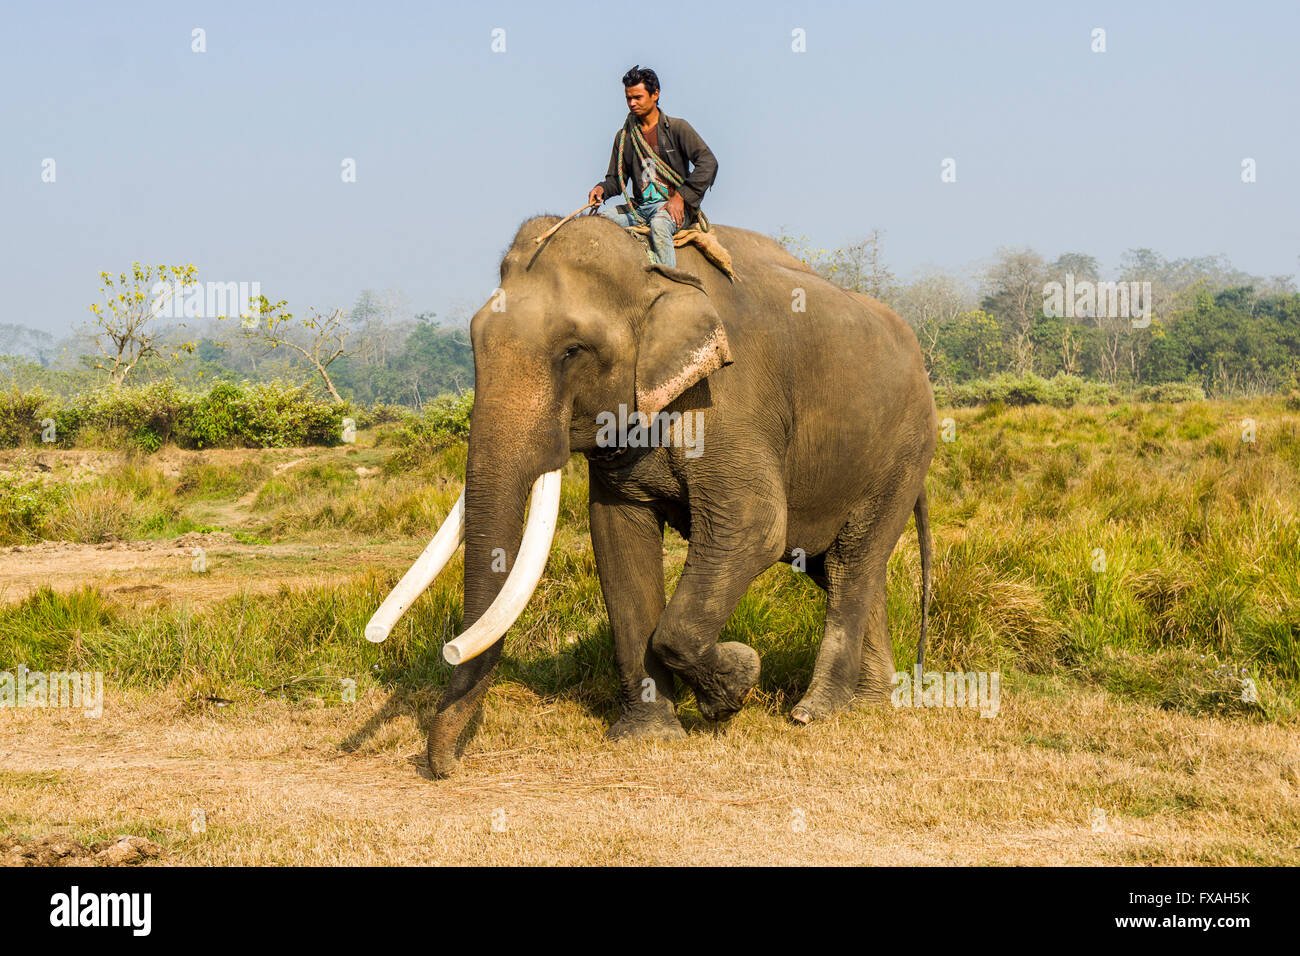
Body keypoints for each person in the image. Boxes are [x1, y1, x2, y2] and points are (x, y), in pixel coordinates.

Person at [588, 65, 718, 269]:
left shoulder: (677, 128)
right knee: (598, 224)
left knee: (659, 225)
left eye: (638, 97)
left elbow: (708, 162)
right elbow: (616, 180)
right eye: (628, 98)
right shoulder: (625, 137)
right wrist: (601, 189)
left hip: (672, 208)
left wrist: (681, 197)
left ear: (655, 94)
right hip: (639, 209)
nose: (632, 103)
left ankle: (670, 283)